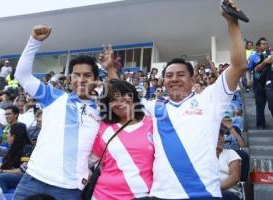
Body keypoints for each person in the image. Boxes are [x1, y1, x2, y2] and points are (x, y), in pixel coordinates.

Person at [104, 0, 246, 198]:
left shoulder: (211, 100)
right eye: (169, 75)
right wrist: (111, 69)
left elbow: (238, 65)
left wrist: (232, 23)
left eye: (180, 74)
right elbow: (121, 95)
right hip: (161, 195)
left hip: (203, 194)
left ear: (193, 78)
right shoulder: (155, 107)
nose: (174, 79)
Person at [13, 25, 101, 200]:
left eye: (87, 75)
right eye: (76, 75)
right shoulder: (53, 96)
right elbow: (22, 75)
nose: (81, 80)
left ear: (97, 80)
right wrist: (34, 42)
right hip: (33, 180)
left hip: (69, 190)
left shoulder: (103, 112)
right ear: (70, 78)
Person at [89, 80, 154, 200]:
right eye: (113, 99)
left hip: (143, 196)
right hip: (102, 195)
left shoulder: (153, 125)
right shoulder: (103, 127)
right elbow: (91, 160)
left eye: (124, 94)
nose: (119, 101)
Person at [0, 122, 33, 193]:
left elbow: (23, 171)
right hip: (11, 173)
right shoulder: (12, 147)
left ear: (13, 136)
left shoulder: (27, 148)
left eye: (8, 133)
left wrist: (1, 171)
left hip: (23, 177)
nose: (7, 136)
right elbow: (7, 163)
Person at [247, 37, 273, 129]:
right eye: (263, 44)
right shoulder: (253, 56)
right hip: (258, 84)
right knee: (260, 105)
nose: (266, 45)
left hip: (270, 83)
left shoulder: (271, 54)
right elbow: (248, 70)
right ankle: (260, 124)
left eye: (266, 43)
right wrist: (249, 79)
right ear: (258, 46)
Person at [217, 129, 241, 200]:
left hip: (228, 192)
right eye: (215, 135)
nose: (219, 138)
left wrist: (214, 189)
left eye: (221, 136)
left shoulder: (231, 153)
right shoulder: (203, 156)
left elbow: (235, 178)